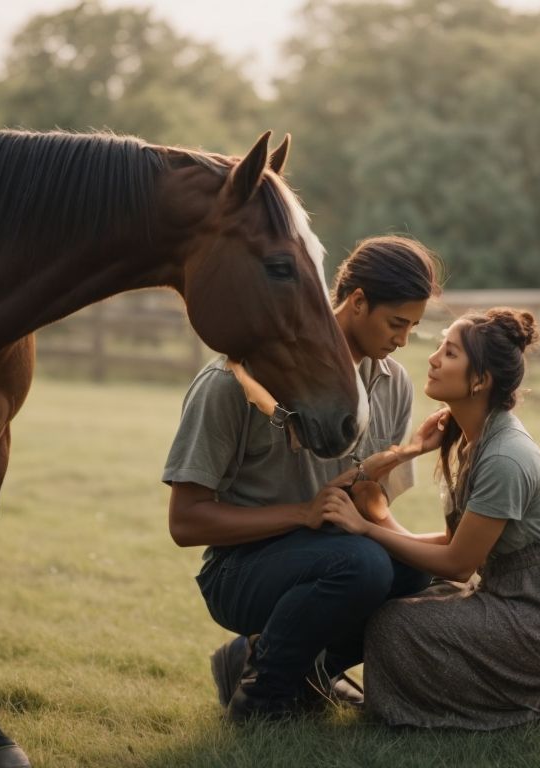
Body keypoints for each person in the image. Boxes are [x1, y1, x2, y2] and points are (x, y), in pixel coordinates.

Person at [163, 235, 440, 721]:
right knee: (364, 565)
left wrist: (399, 465)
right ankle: (262, 698)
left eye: (413, 327)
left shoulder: (393, 383)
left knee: (416, 569)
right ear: (357, 302)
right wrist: (303, 513)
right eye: (397, 323)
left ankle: (297, 669)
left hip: (333, 556)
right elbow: (186, 523)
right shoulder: (233, 381)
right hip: (239, 570)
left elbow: (370, 505)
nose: (402, 340)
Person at [321, 308, 540, 730]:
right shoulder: (477, 441)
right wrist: (380, 517)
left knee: (394, 626)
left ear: (481, 380)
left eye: (450, 352)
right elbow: (454, 545)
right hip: (515, 603)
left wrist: (365, 527)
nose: (434, 358)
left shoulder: (505, 456)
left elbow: (459, 564)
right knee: (412, 595)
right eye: (440, 347)